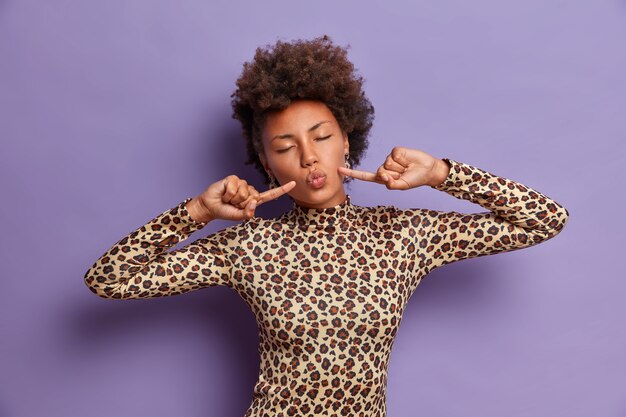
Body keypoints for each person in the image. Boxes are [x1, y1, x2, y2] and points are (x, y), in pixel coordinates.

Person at [83, 34, 569, 417]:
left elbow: (545, 219)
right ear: (267, 164)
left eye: (321, 136)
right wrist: (198, 211)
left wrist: (441, 174)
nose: (309, 155)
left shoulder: (404, 235)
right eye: (286, 146)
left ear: (347, 141)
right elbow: (107, 280)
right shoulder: (247, 247)